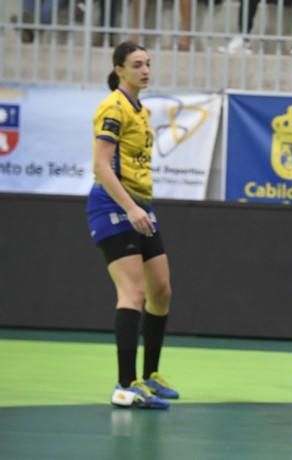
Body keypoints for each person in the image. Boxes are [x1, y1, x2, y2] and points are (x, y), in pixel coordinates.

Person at [87, 41, 179, 409]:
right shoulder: (113, 107)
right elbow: (101, 166)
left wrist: (139, 206)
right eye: (137, 64)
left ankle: (149, 376)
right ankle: (125, 385)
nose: (145, 70)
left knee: (162, 290)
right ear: (119, 70)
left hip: (140, 204)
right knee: (133, 295)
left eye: (148, 64)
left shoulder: (141, 110)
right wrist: (129, 208)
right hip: (112, 204)